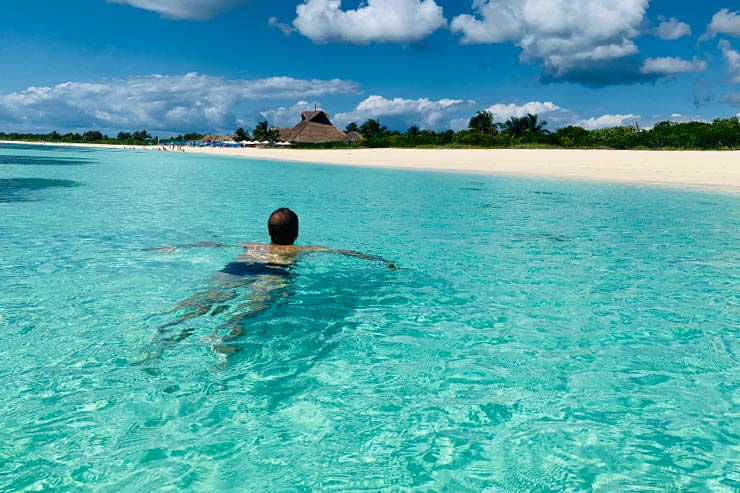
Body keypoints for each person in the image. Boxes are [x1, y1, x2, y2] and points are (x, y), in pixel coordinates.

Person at [146, 208, 395, 356]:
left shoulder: (251, 245)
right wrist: (382, 261)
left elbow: (213, 243)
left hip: (239, 267)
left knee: (204, 301)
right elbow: (344, 252)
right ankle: (225, 339)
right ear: (296, 234)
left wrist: (175, 246)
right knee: (251, 309)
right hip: (274, 271)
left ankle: (169, 328)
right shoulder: (303, 249)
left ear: (268, 232)